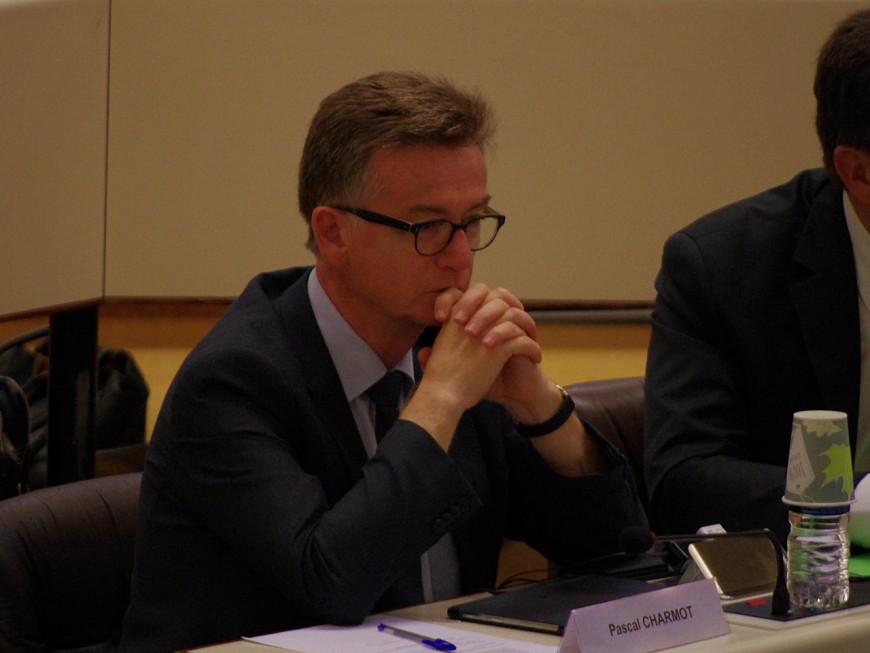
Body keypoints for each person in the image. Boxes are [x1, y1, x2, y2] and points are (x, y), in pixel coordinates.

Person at [118, 71, 648, 651]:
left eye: (472, 221)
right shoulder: (233, 383)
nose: (460, 256)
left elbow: (617, 549)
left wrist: (539, 407)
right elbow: (334, 584)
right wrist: (439, 400)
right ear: (333, 233)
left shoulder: (453, 349)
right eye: (429, 227)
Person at [644, 8, 870, 546]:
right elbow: (683, 479)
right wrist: (855, 503)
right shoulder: (723, 267)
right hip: (805, 577)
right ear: (859, 172)